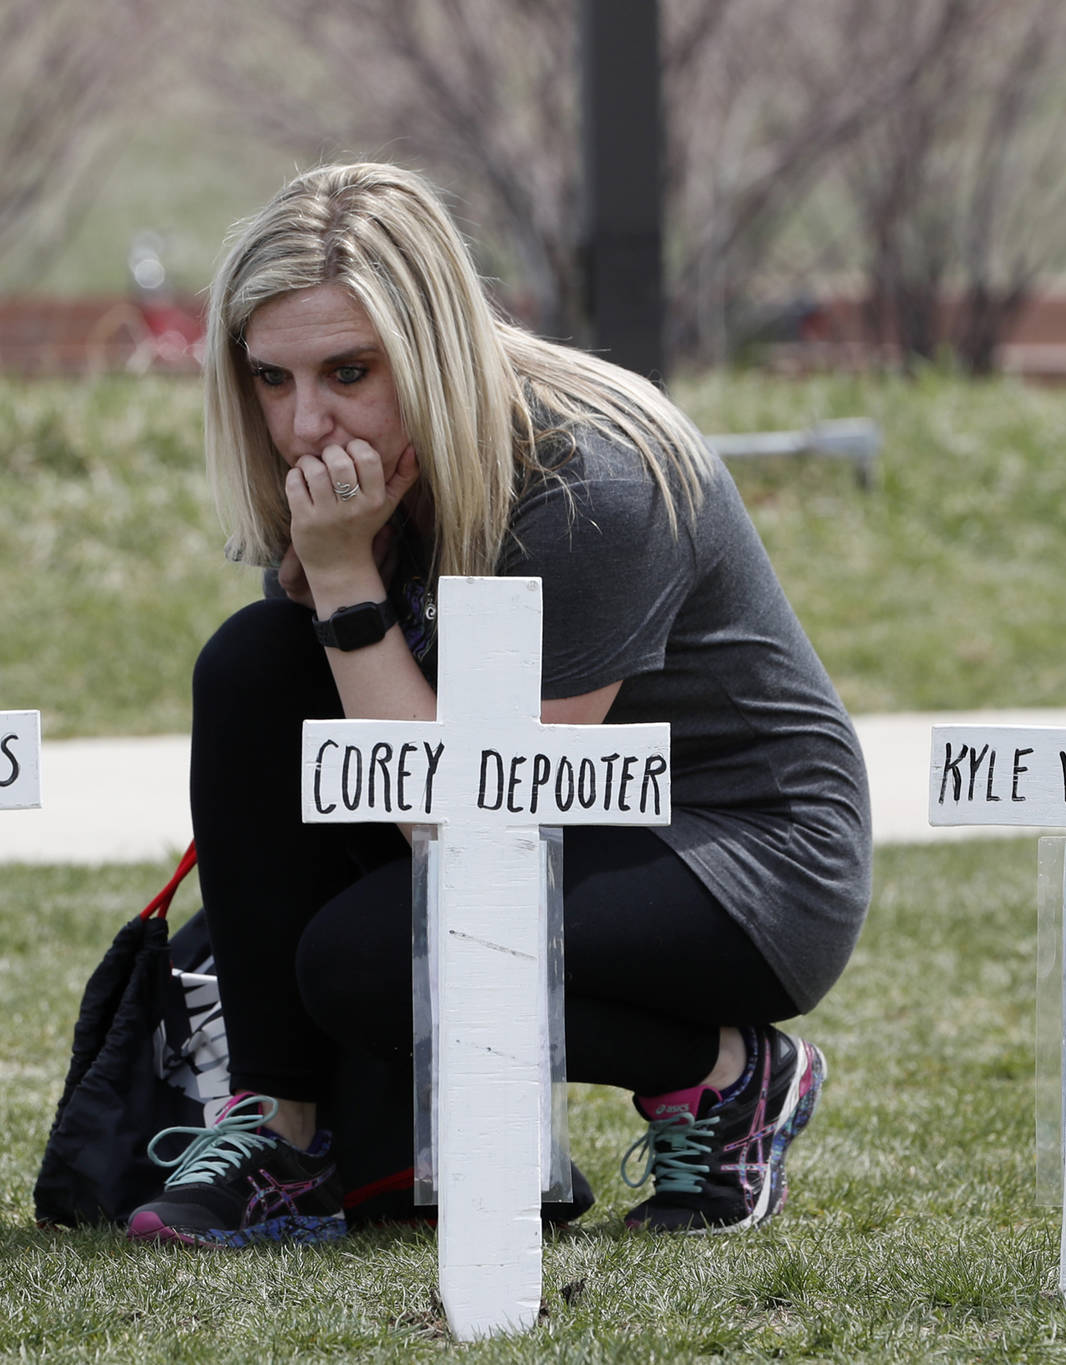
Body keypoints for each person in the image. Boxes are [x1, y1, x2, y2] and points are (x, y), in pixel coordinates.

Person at [128, 163, 871, 1247]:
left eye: (346, 371)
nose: (302, 423)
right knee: (252, 662)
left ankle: (729, 1074)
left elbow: (470, 821)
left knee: (366, 959)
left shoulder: (590, 476)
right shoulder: (354, 466)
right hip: (552, 816)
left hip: (740, 855)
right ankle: (278, 1133)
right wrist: (331, 585)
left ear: (429, 350)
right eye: (270, 380)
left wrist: (343, 583)